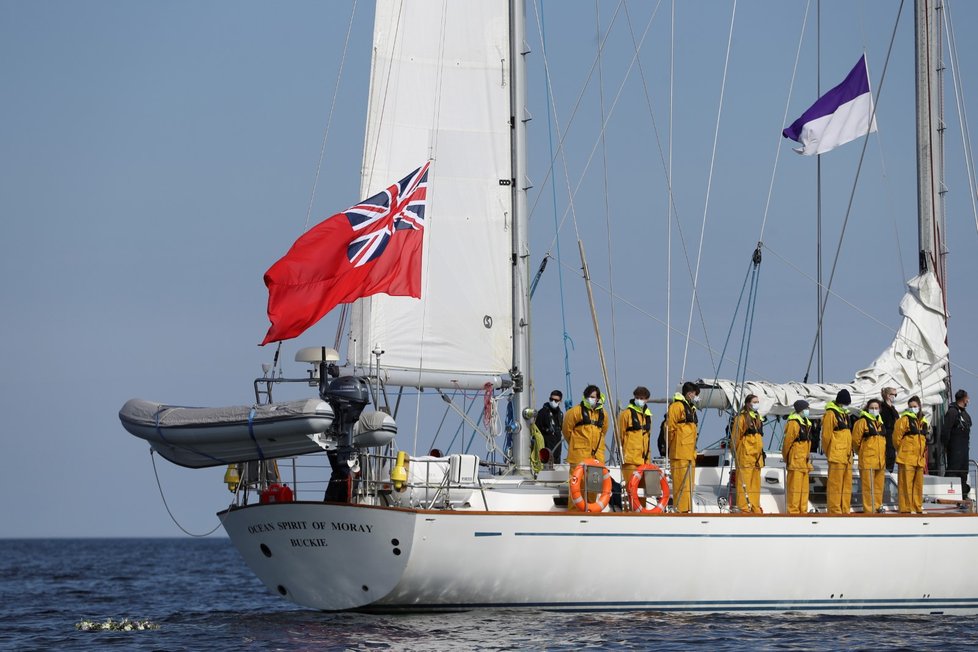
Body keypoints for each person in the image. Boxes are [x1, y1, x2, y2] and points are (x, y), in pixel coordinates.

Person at [562, 385, 609, 510]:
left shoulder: (603, 414)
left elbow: (603, 431)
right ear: (585, 396)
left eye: (595, 397)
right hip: (578, 456)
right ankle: (573, 512)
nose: (593, 399)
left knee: (593, 487)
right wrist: (576, 445)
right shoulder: (574, 412)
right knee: (576, 486)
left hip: (596, 457)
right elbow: (567, 431)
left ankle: (591, 511)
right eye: (591, 396)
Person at [667, 381, 700, 513]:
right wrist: (673, 445)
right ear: (689, 393)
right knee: (680, 482)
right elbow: (670, 428)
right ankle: (680, 509)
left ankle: (686, 508)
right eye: (695, 394)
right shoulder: (676, 406)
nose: (696, 396)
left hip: (690, 452)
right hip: (679, 452)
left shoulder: (691, 408)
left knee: (689, 484)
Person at [893, 395, 929, 513]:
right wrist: (902, 449)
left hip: (919, 458)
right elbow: (896, 438)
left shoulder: (923, 422)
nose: (913, 408)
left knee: (918, 485)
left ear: (919, 406)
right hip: (906, 457)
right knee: (905, 484)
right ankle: (906, 507)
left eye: (915, 406)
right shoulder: (904, 420)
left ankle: (917, 506)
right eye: (910, 406)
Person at [821, 389, 854, 514]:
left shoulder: (844, 414)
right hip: (836, 454)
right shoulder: (831, 414)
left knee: (847, 485)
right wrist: (828, 451)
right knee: (835, 484)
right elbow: (826, 436)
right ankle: (834, 510)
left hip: (847, 455)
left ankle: (845, 509)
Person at [731, 394, 764, 513]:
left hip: (757, 456)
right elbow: (735, 438)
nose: (756, 403)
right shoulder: (741, 418)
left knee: (755, 483)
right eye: (754, 402)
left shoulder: (757, 418)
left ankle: (755, 507)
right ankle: (744, 507)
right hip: (745, 455)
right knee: (743, 482)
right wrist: (735, 453)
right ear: (748, 403)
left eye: (758, 401)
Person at [852, 398, 886, 513]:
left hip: (880, 460)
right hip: (867, 459)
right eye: (872, 408)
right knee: (868, 487)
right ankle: (869, 510)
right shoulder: (862, 422)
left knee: (878, 487)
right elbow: (855, 441)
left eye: (876, 408)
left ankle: (877, 507)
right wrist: (861, 452)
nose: (874, 410)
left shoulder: (880, 422)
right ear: (867, 408)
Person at [782, 400, 814, 514]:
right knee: (794, 489)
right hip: (795, 461)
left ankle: (803, 510)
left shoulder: (806, 423)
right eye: (806, 408)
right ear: (801, 409)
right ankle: (793, 511)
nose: (808, 410)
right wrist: (787, 458)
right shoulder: (793, 423)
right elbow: (787, 443)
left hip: (804, 461)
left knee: (804, 490)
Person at [618, 386, 653, 486]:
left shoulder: (648, 417)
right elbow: (620, 435)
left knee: (643, 492)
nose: (639, 400)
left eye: (641, 398)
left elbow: (648, 438)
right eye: (637, 397)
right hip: (630, 460)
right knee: (632, 489)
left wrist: (648, 459)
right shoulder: (626, 414)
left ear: (647, 400)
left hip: (644, 460)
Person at [942, 389, 972, 499]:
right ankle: (946, 494)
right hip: (955, 447)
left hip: (964, 448)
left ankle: (963, 495)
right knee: (953, 470)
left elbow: (968, 424)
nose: (968, 400)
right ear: (963, 399)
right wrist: (946, 446)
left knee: (964, 472)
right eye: (967, 398)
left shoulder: (964, 413)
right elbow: (946, 430)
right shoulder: (952, 412)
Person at [535, 390, 564, 464]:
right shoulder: (542, 413)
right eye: (551, 399)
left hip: (557, 451)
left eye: (556, 400)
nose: (553, 401)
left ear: (560, 401)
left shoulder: (560, 414)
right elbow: (536, 431)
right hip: (545, 453)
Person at [879, 387, 900, 472]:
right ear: (888, 395)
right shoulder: (882, 408)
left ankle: (889, 474)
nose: (895, 396)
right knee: (888, 456)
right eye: (894, 394)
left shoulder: (893, 409)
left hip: (893, 436)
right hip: (886, 435)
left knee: (892, 457)